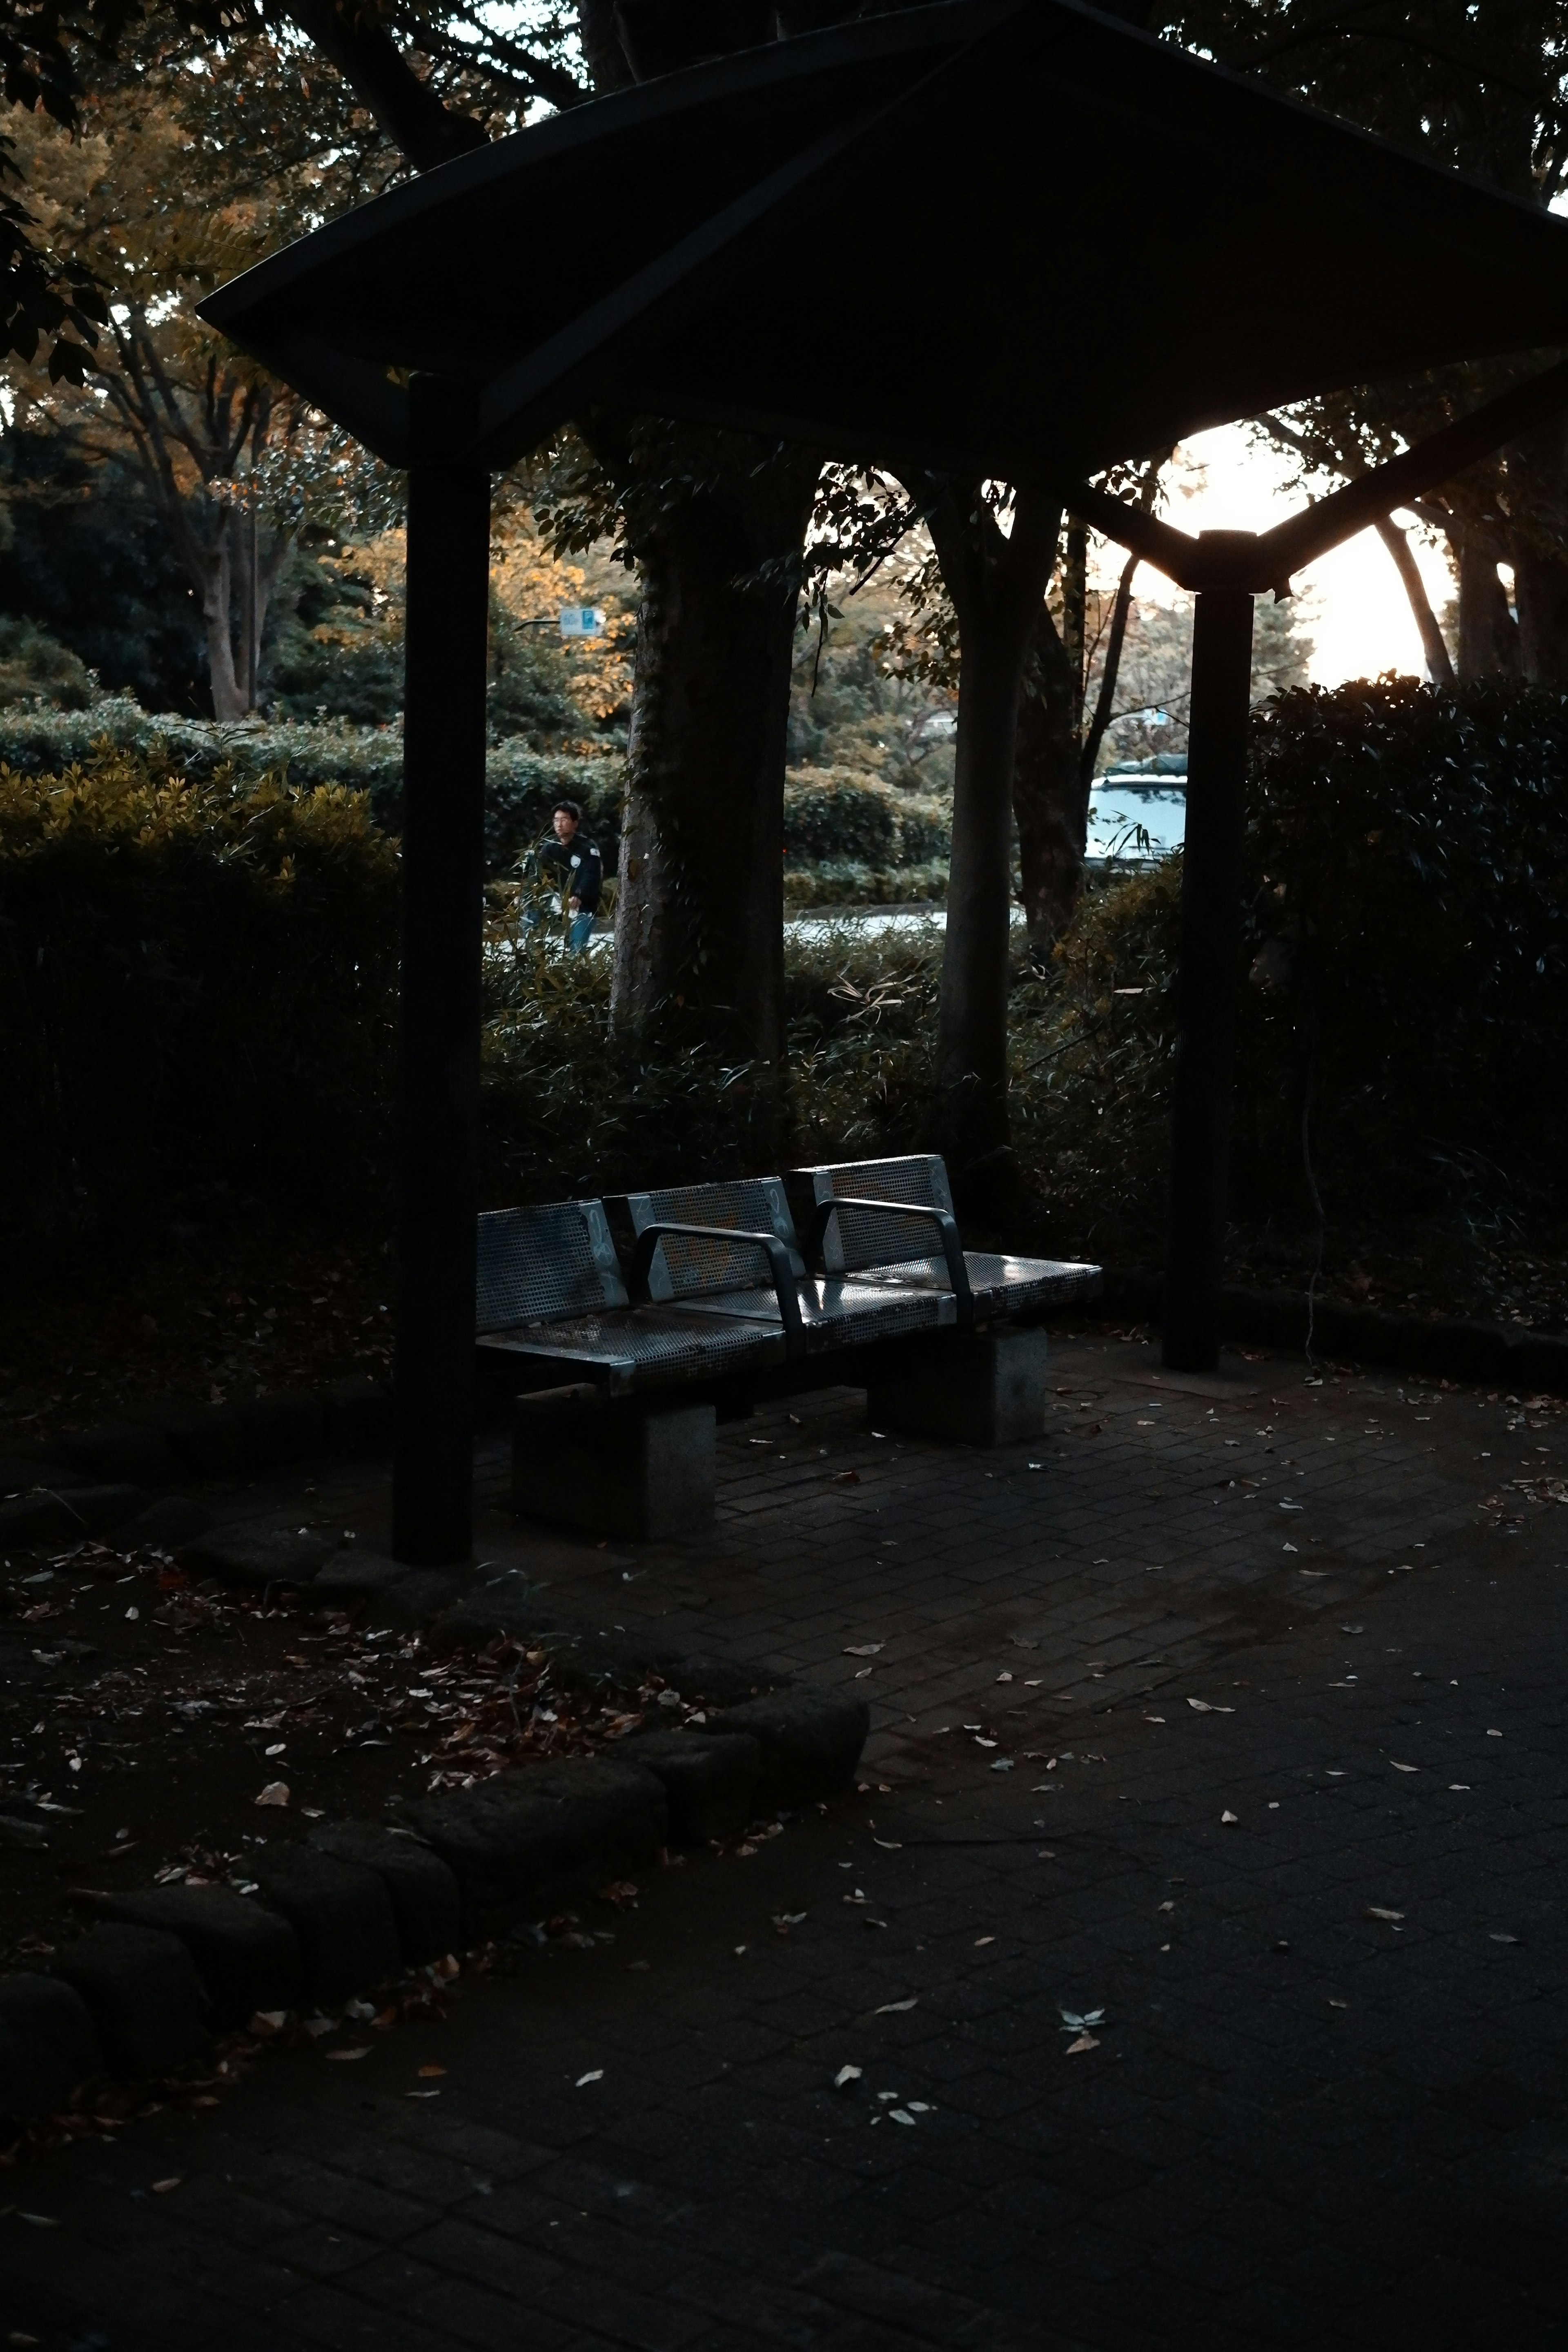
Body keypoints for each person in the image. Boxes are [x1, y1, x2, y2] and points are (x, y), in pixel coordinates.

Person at [532, 799, 603, 951]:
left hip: (580, 907)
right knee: (531, 914)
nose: (559, 824)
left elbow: (591, 877)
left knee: (576, 953)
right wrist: (527, 895)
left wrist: (579, 895)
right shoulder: (548, 848)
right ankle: (533, 958)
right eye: (556, 820)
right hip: (554, 905)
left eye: (564, 820)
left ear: (575, 823)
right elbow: (537, 876)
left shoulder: (588, 847)